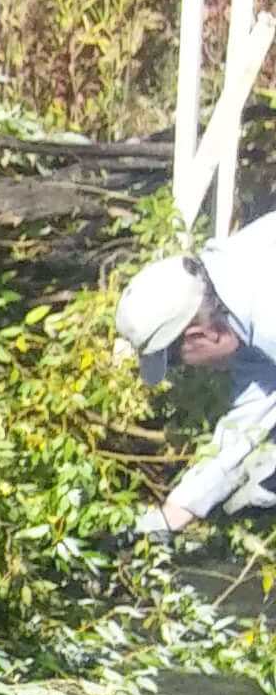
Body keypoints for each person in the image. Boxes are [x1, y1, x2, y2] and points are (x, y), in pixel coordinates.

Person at [113, 219, 276, 540]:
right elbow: (253, 414)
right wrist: (171, 514)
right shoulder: (234, 292)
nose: (189, 370)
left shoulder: (267, 311)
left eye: (176, 361)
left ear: (199, 334)